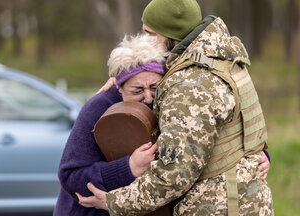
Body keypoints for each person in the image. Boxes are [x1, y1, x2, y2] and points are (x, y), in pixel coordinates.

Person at [77, 0, 273, 215]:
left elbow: (174, 176)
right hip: (248, 199)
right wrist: (122, 78)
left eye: (150, 34)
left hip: (217, 206)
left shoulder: (188, 85)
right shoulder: (225, 59)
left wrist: (114, 202)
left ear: (171, 35)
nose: (146, 41)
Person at [54, 33, 168, 216]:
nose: (148, 97)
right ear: (118, 86)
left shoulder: (169, 103)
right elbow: (70, 176)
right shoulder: (98, 108)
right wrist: (128, 168)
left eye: (154, 87)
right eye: (137, 90)